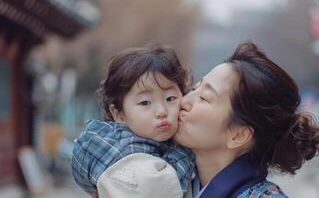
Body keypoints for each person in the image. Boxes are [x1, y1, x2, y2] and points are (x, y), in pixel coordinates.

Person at [97, 42, 319, 198]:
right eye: (193, 88)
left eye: (203, 97)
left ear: (238, 134)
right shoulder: (159, 180)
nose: (184, 101)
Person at [71, 44, 195, 198]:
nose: (162, 111)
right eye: (145, 103)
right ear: (119, 114)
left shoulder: (162, 144)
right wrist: (188, 150)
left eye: (170, 98)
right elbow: (162, 189)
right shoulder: (121, 148)